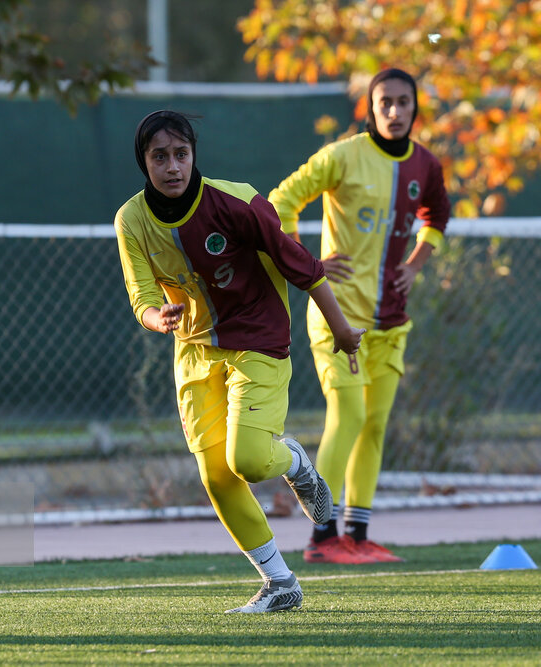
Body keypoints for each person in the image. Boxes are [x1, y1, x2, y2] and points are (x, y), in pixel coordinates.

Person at [114, 110, 365, 612]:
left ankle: (295, 462)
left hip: (258, 338)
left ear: (194, 155)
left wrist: (340, 328)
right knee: (216, 476)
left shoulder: (238, 201)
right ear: (144, 163)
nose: (172, 167)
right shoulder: (131, 220)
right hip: (193, 350)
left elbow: (302, 265)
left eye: (180, 154)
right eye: (159, 157)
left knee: (248, 460)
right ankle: (280, 584)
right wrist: (154, 316)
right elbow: (140, 293)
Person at [268, 68, 451, 565]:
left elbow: (438, 219)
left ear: (416, 108)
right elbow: (281, 201)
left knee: (374, 425)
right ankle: (322, 538)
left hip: (391, 320)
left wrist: (415, 266)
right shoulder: (342, 156)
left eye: (403, 102)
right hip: (337, 316)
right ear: (369, 109)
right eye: (384, 102)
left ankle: (358, 531)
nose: (394, 111)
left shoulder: (426, 166)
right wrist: (308, 263)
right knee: (347, 417)